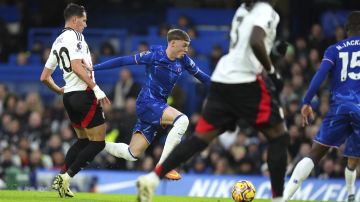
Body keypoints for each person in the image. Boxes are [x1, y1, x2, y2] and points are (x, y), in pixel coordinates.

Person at [136, 0, 289, 202]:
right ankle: (278, 198)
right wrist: (272, 71)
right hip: (246, 80)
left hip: (223, 78)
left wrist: (272, 49)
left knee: (200, 139)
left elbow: (248, 42)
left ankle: (153, 178)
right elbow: (255, 41)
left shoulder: (244, 8)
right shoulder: (266, 10)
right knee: (279, 137)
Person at [92, 29, 210, 180]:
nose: (187, 49)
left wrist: (225, 87)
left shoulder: (184, 60)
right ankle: (164, 167)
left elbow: (203, 77)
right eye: (184, 45)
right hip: (147, 103)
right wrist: (94, 68)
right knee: (182, 120)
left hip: (157, 107)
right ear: (173, 43)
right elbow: (123, 61)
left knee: (132, 154)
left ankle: (97, 144)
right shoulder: (154, 56)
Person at [283, 11, 360, 202]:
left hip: (340, 107)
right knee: (353, 160)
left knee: (315, 153)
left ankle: (283, 199)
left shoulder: (335, 49)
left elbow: (320, 75)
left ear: (346, 30)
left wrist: (307, 101)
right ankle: (351, 193)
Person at [39, 3, 110, 198]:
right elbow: (77, 66)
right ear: (75, 20)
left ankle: (61, 178)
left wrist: (60, 91)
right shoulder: (76, 36)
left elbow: (44, 77)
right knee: (98, 143)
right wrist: (96, 89)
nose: (85, 25)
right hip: (84, 94)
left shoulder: (57, 41)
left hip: (69, 97)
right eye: (84, 20)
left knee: (83, 140)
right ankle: (67, 177)